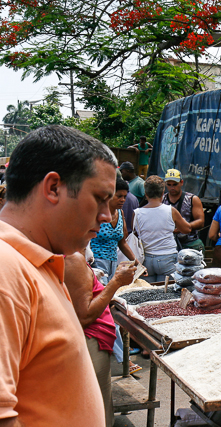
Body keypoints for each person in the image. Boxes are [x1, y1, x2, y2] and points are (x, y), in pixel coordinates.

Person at [0, 125, 114, 426]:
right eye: (100, 198)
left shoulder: (37, 262)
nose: (107, 216)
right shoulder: (5, 270)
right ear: (53, 188)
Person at [64, 251, 137, 427]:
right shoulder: (72, 259)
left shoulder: (72, 256)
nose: (103, 221)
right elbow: (84, 316)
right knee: (97, 410)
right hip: (90, 340)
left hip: (91, 340)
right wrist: (117, 282)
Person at [133, 175, 191, 282]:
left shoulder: (136, 213)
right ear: (162, 192)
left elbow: (134, 234)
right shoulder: (171, 211)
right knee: (166, 293)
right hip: (167, 258)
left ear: (146, 193)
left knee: (147, 293)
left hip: (146, 259)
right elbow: (186, 229)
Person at [90, 178, 137, 280]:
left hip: (113, 264)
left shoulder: (120, 213)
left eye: (124, 197)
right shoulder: (96, 213)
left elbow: (122, 243)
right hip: (96, 263)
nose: (123, 200)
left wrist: (136, 262)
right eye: (119, 196)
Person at [162, 169, 205, 252]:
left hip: (190, 242)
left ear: (181, 182)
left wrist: (184, 226)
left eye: (175, 184)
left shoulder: (192, 199)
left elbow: (200, 221)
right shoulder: (162, 200)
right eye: (169, 185)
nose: (172, 187)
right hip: (168, 243)